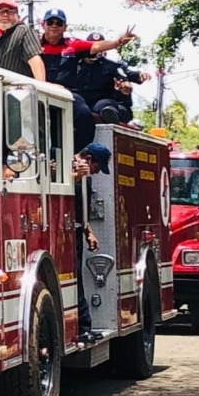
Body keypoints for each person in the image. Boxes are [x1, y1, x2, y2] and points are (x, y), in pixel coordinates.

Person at [38, 9, 136, 152]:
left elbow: (96, 46)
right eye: (50, 22)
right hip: (38, 90)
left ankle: (77, 154)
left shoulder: (72, 45)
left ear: (65, 27)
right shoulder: (33, 44)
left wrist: (118, 41)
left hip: (66, 94)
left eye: (58, 23)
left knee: (85, 115)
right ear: (43, 25)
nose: (54, 26)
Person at [74, 143, 111, 343]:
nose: (97, 172)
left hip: (79, 229)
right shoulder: (65, 169)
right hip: (66, 232)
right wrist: (74, 177)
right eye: (97, 166)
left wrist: (89, 232)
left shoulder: (85, 178)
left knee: (78, 280)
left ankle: (84, 325)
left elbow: (81, 208)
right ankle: (82, 326)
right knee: (75, 282)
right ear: (88, 159)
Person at [77, 32, 152, 124]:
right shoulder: (73, 64)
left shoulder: (112, 66)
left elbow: (128, 77)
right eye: (93, 46)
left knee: (106, 105)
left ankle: (111, 118)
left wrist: (139, 76)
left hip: (101, 104)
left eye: (100, 46)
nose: (96, 49)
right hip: (79, 103)